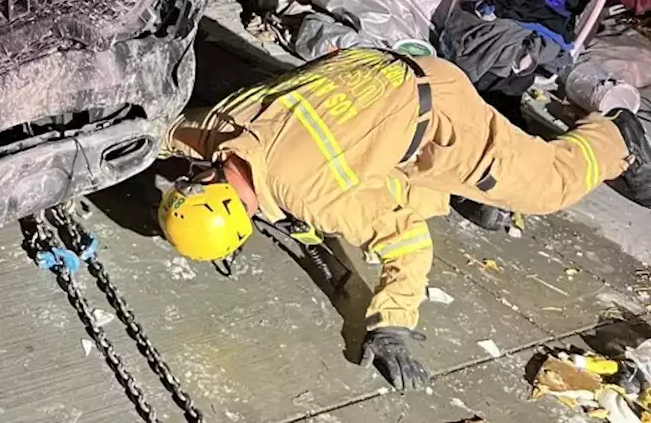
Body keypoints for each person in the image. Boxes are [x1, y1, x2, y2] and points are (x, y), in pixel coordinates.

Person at [158, 47, 651, 392]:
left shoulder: (314, 196)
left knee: (550, 184)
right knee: (371, 174)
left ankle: (620, 138)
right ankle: (453, 189)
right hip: (373, 77)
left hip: (438, 112)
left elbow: (406, 242)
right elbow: (169, 133)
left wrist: (391, 325)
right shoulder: (217, 129)